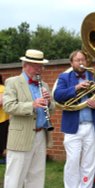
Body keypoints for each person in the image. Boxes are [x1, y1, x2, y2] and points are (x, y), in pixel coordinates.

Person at [53, 50, 95, 188]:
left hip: (92, 126)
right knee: (72, 162)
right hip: (73, 128)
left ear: (87, 62)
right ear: (71, 63)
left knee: (89, 164)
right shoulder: (64, 78)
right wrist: (76, 88)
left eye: (83, 60)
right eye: (77, 60)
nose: (80, 62)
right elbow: (58, 95)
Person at [3, 49, 55, 188]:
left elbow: (52, 109)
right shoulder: (13, 82)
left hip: (40, 135)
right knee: (15, 178)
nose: (39, 69)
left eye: (40, 66)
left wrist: (49, 103)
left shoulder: (44, 85)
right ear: (24, 65)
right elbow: (8, 106)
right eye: (35, 65)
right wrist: (32, 105)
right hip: (21, 136)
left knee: (36, 178)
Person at [0, 74, 9, 164]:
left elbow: (1, 102)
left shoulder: (2, 88)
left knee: (3, 140)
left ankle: (4, 157)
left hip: (3, 119)